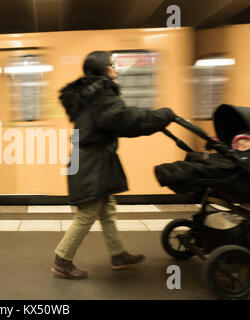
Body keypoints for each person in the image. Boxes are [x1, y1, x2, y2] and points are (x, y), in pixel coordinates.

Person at [52, 51, 175, 279]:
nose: (116, 68)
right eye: (112, 64)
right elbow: (127, 120)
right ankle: (62, 260)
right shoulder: (101, 96)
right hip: (92, 163)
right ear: (102, 69)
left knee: (106, 208)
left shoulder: (89, 96)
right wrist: (162, 116)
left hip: (92, 160)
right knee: (88, 213)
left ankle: (117, 254)